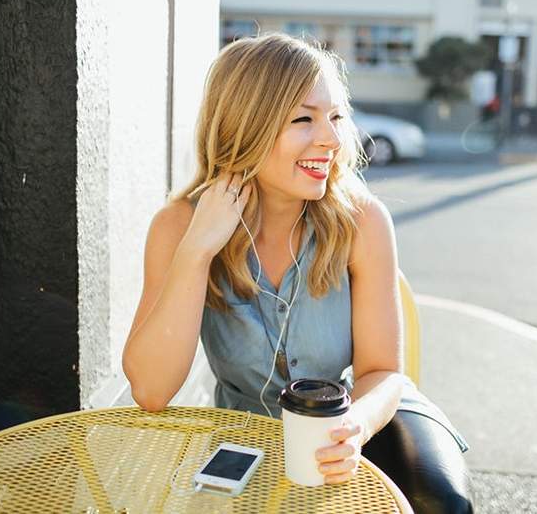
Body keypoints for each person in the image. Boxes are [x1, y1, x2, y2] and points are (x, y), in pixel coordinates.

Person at [122, 33, 473, 514]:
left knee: (442, 503)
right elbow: (151, 390)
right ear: (246, 127)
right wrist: (197, 250)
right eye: (304, 119)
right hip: (246, 433)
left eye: (334, 117)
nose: (330, 138)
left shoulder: (362, 221)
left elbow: (383, 372)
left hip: (360, 415)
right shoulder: (179, 226)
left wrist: (354, 427)